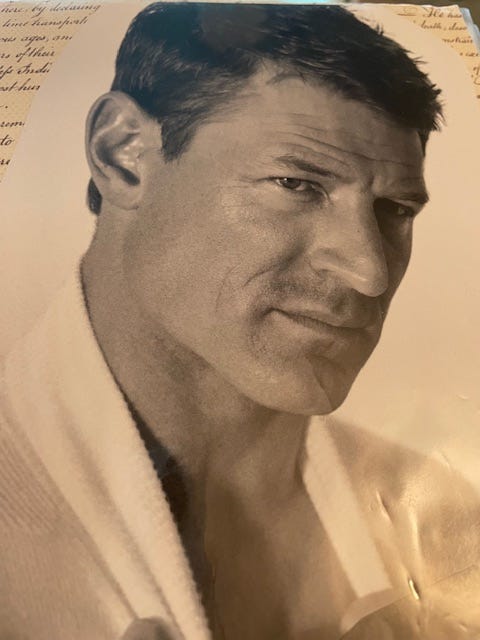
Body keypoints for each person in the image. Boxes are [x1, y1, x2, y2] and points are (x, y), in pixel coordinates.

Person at [3, 3, 480, 640]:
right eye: (297, 183)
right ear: (122, 155)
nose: (369, 272)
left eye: (395, 210)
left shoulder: (452, 526)